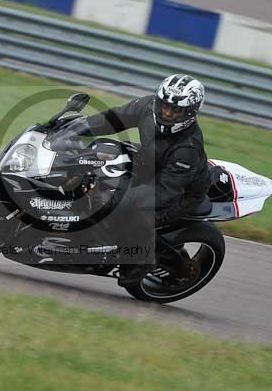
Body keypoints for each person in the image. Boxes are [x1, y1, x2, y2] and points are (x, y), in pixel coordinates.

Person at [53, 74, 212, 286]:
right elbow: (115, 118)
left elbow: (163, 191)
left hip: (181, 193)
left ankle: (140, 261)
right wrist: (78, 129)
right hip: (150, 163)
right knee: (96, 154)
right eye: (164, 105)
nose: (166, 112)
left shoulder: (187, 149)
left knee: (131, 211)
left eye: (175, 110)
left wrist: (120, 199)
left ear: (190, 113)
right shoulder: (148, 106)